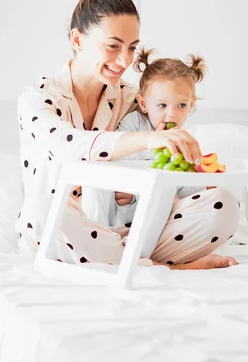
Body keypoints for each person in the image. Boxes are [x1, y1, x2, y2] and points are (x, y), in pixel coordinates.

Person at [15, 0, 239, 269]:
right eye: (112, 46)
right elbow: (71, 147)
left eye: (132, 47)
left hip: (131, 230)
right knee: (42, 211)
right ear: (78, 40)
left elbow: (167, 114)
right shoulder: (38, 99)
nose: (125, 60)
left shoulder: (134, 98)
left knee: (223, 204)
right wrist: (148, 138)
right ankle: (164, 267)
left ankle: (127, 259)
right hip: (63, 231)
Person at [82, 48, 240, 265]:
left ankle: (139, 260)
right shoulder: (135, 125)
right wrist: (130, 192)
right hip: (114, 223)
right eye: (162, 105)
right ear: (144, 103)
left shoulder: (186, 142)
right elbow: (115, 156)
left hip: (154, 234)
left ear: (192, 104)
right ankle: (105, 252)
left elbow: (185, 192)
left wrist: (205, 183)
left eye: (181, 105)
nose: (171, 114)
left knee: (218, 201)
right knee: (95, 178)